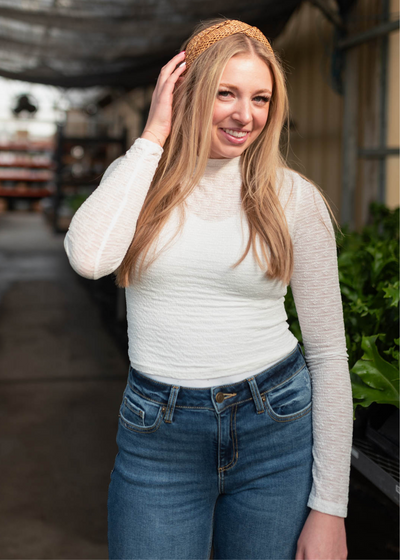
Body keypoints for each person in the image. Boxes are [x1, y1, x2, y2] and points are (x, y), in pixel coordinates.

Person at [64, 18, 353, 560]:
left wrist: (330, 507)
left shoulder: (294, 197)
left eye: (261, 98)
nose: (246, 115)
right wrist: (153, 135)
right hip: (159, 441)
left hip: (277, 429)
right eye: (226, 93)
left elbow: (329, 353)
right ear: (187, 92)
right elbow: (88, 258)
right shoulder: (137, 183)